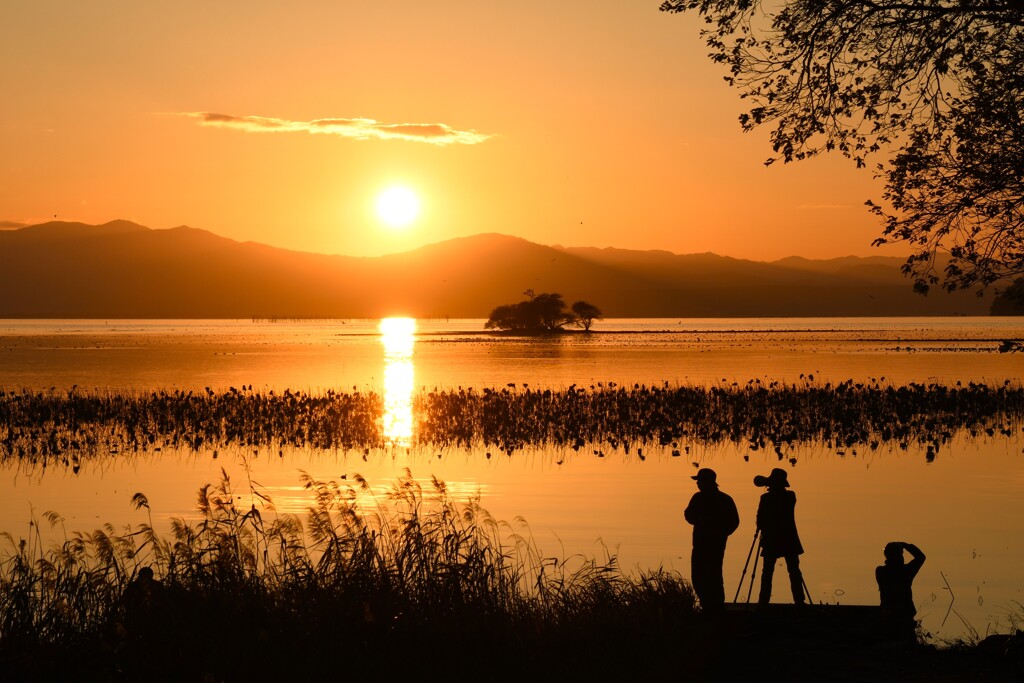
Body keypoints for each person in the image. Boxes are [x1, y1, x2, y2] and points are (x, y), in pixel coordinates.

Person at [684, 468, 740, 614]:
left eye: (700, 481)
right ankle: (706, 606)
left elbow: (734, 522)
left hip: (716, 545)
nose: (698, 484)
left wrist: (721, 533)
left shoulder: (725, 500)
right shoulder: (697, 498)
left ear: (707, 482)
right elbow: (688, 514)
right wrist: (698, 520)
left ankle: (717, 608)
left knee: (714, 576)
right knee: (697, 577)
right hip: (699, 545)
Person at [754, 468, 805, 604]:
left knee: (767, 573)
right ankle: (799, 602)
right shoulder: (790, 496)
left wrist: (766, 481)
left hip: (771, 539)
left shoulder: (766, 498)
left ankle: (763, 602)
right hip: (789, 539)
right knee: (794, 571)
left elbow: (760, 520)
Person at [876, 541, 926, 641]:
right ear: (900, 554)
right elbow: (921, 557)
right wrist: (907, 546)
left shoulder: (880, 571)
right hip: (905, 614)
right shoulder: (907, 570)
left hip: (888, 613)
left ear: (886, 555)